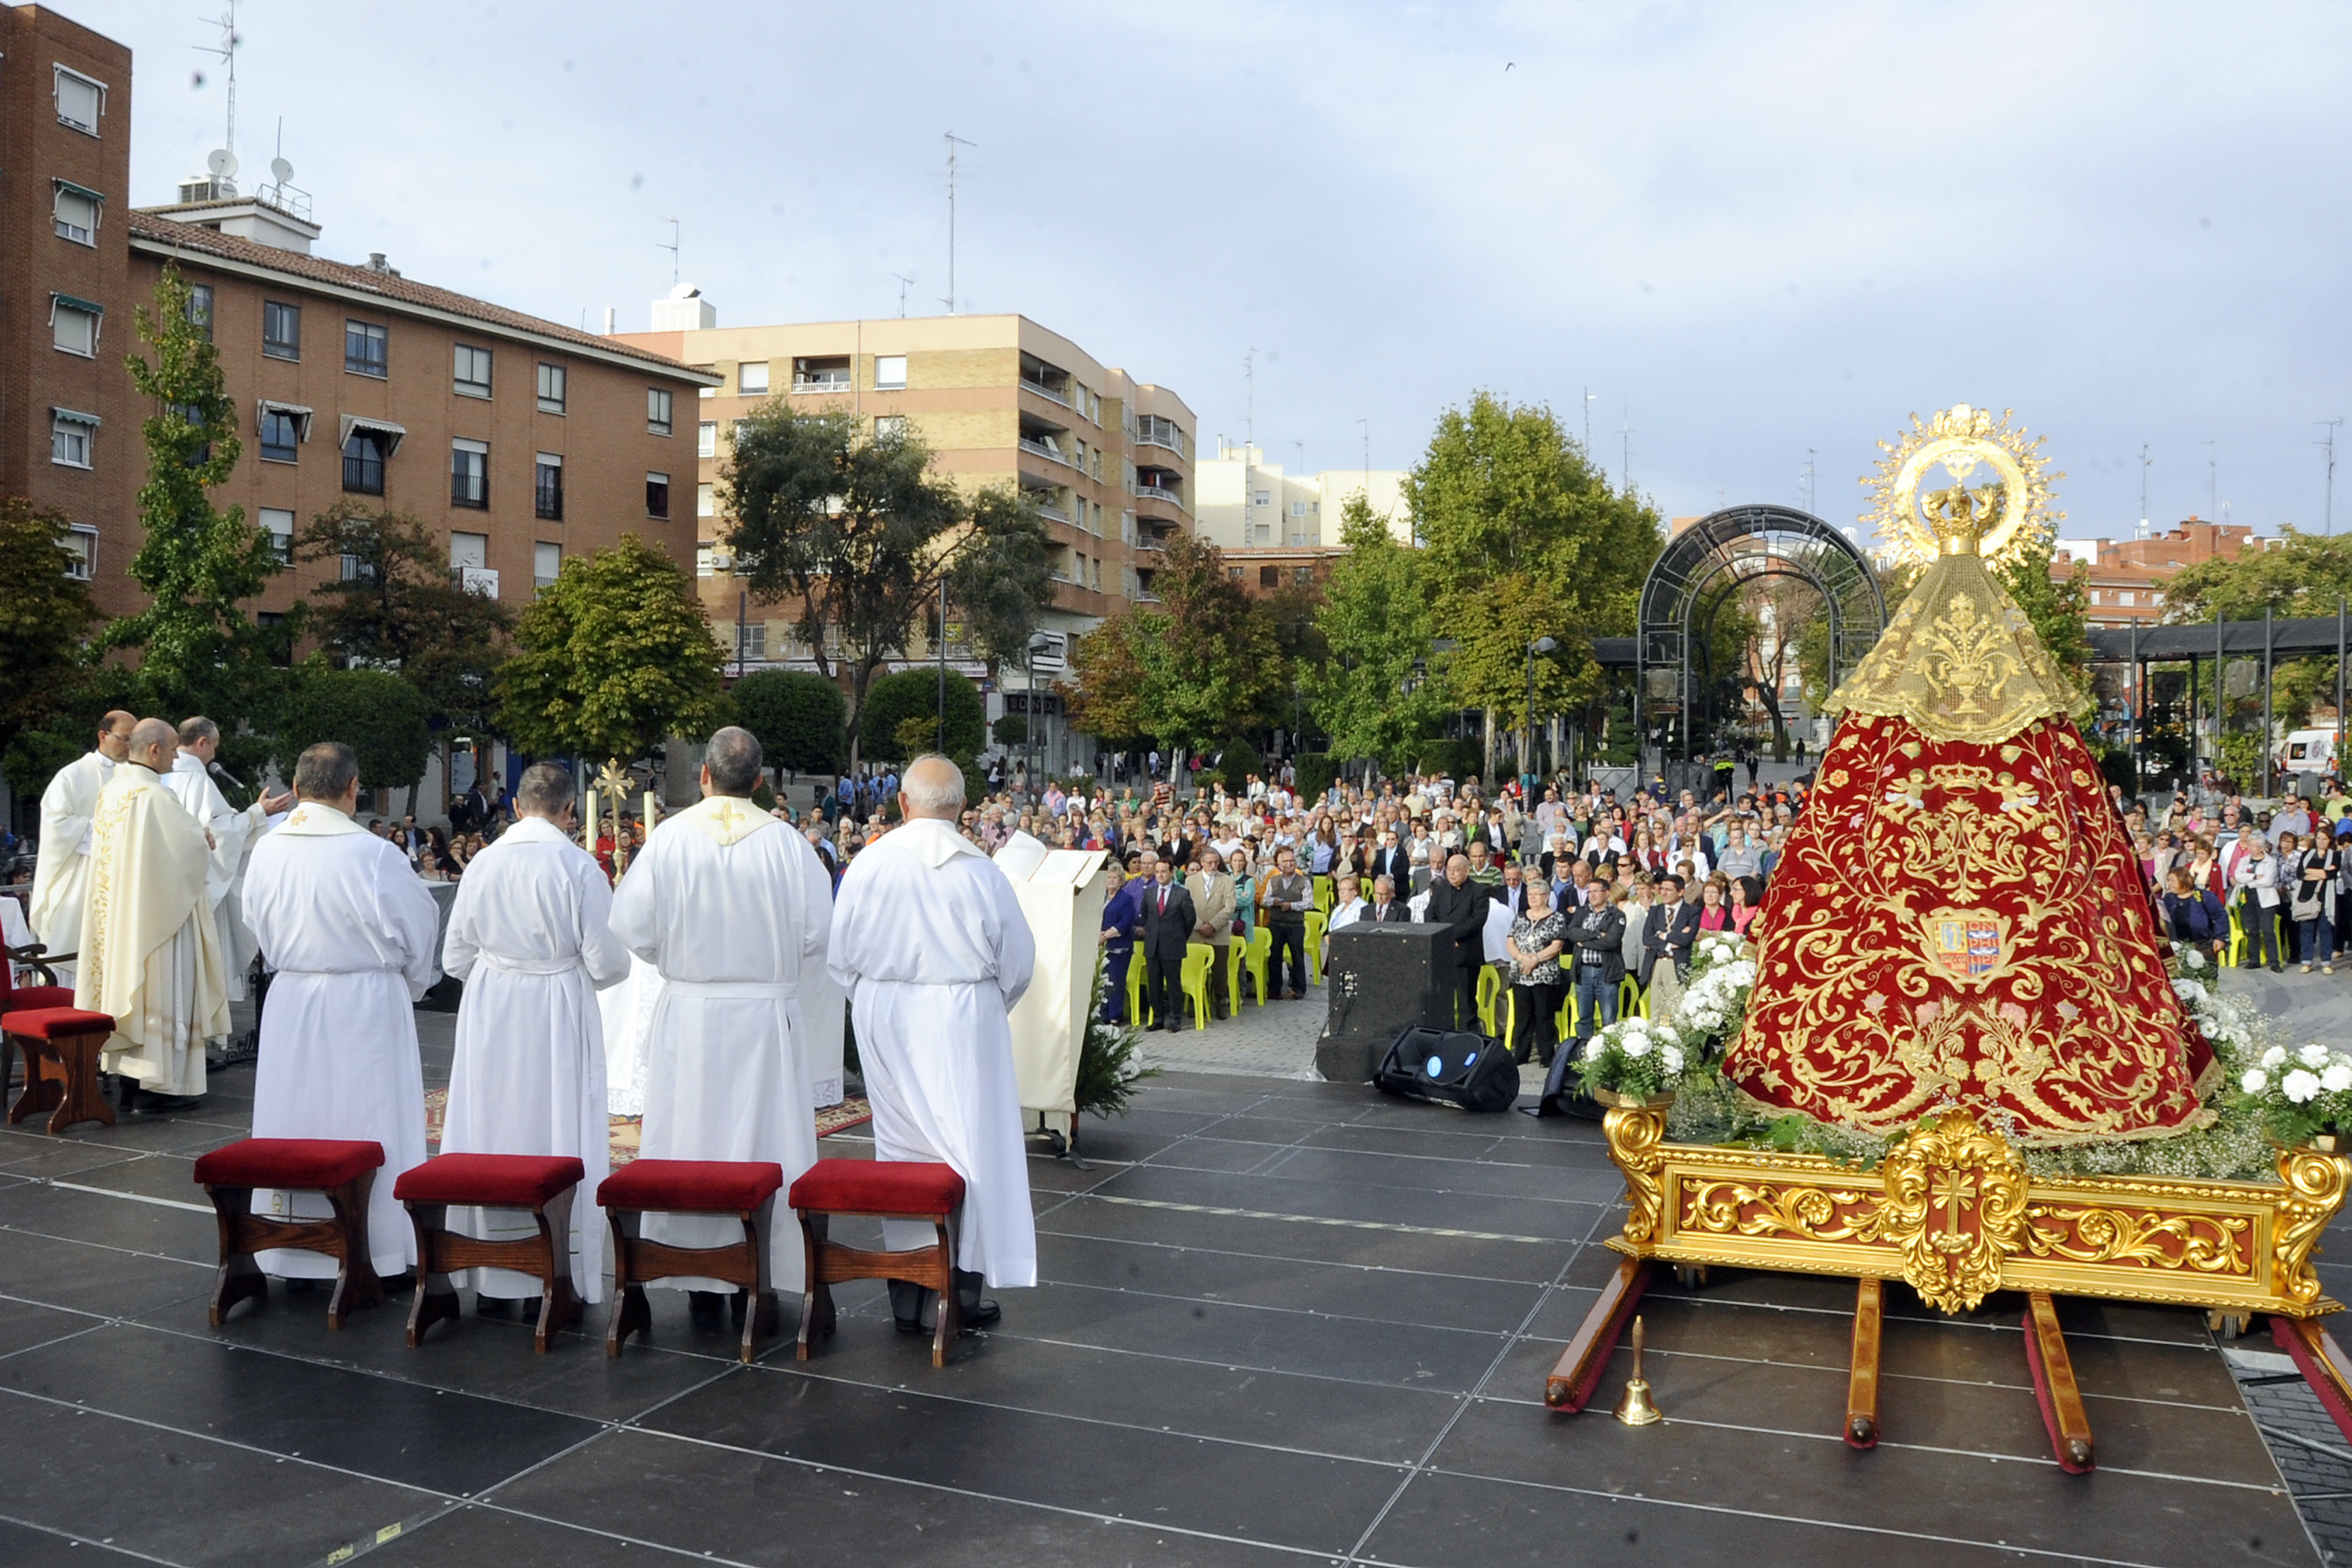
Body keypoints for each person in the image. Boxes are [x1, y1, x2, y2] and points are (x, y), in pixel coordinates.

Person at [610, 727, 834, 1321]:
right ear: (758, 782)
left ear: (704, 775)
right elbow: (818, 932)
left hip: (692, 1016)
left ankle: (696, 1271)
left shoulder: (669, 839)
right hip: (764, 1018)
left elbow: (631, 927)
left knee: (691, 1140)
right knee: (764, 1140)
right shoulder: (787, 844)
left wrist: (680, 960)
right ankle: (763, 1271)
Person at [829, 755, 1037, 1333]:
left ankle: (909, 1293)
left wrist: (877, 999)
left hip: (886, 1012)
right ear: (962, 807)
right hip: (962, 1016)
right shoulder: (981, 873)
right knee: (969, 1151)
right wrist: (980, 1008)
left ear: (902, 803)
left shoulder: (870, 864)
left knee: (901, 1149)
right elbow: (1018, 965)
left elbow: (840, 958)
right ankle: (957, 1294)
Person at [243, 743, 442, 1281]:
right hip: (365, 1002)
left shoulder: (268, 847)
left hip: (292, 999)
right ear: (354, 788)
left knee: (295, 1116)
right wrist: (408, 983)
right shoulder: (373, 854)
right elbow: (419, 926)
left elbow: (253, 919)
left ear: (296, 786)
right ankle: (377, 1247)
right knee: (369, 1118)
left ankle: (294, 1245)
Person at [439, 762, 631, 1311]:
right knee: (553, 1126)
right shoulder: (578, 866)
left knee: (491, 1123)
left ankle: (489, 1265)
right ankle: (554, 1266)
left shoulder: (483, 862)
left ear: (517, 807)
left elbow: (454, 957)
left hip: (492, 1006)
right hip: (555, 1007)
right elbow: (607, 963)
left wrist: (500, 969)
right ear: (570, 812)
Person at [79, 718, 235, 1112]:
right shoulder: (154, 796)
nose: (175, 759)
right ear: (153, 750)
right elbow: (187, 851)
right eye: (171, 750)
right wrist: (202, 837)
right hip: (159, 925)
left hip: (123, 919)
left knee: (134, 994)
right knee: (161, 993)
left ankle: (130, 1084)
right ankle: (157, 1087)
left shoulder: (112, 790)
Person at [162, 717, 275, 1025]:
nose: (215, 754)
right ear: (202, 742)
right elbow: (219, 835)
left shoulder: (160, 777)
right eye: (214, 746)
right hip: (197, 890)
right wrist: (257, 814)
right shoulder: (196, 781)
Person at [28, 710, 134, 986]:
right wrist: (105, 826)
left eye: (134, 740)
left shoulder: (136, 777)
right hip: (80, 877)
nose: (129, 746)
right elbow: (55, 825)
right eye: (125, 739)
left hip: (124, 878)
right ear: (103, 736)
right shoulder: (72, 775)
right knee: (72, 947)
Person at [1504, 879, 1568, 1068]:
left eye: (1536, 894)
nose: (1532, 898)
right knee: (1522, 1016)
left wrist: (1535, 960)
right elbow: (1510, 941)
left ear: (1546, 897)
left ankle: (1546, 1055)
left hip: (1544, 974)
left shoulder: (1557, 918)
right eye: (1530, 894)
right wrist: (1522, 958)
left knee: (1544, 1015)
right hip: (1521, 974)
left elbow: (1557, 945)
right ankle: (1521, 1054)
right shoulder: (1520, 917)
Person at [1424, 854, 1490, 1031]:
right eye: (1449, 869)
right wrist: (1443, 937)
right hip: (1442, 953)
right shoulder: (1441, 889)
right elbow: (1429, 914)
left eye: (1456, 869)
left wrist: (1452, 936)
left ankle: (1466, 1037)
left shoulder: (1479, 891)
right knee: (1441, 1000)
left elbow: (1477, 920)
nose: (1452, 873)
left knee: (1465, 1002)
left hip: (1465, 954)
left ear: (1467, 871)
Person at [1138, 855, 1197, 1032]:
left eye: (1163, 871)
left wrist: (1179, 936)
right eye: (1157, 872)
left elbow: (1190, 919)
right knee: (1154, 984)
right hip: (1153, 945)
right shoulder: (1149, 893)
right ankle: (1158, 1019)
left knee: (1173, 984)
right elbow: (1145, 916)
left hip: (1173, 945)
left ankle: (1175, 1019)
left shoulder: (1182, 893)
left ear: (1171, 872)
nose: (1160, 875)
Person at [1259, 845, 1313, 1001]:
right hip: (1276, 923)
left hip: (1295, 925)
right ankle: (1274, 989)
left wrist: (1291, 906)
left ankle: (1299, 988)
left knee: (1297, 957)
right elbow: (1264, 900)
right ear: (1280, 864)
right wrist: (1274, 902)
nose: (1290, 864)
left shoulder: (1303, 881)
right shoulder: (1273, 880)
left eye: (1292, 861)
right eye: (1286, 861)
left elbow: (1309, 903)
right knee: (1274, 957)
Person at [1191, 847, 1238, 1020]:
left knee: (1220, 972)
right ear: (1202, 862)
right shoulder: (1191, 881)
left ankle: (1221, 1004)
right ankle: (1197, 1004)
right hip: (1197, 934)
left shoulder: (1227, 881)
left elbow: (1230, 907)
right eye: (1209, 862)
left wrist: (1213, 925)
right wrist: (1199, 925)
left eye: (1216, 862)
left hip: (1219, 934)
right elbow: (1187, 906)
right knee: (1196, 971)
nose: (1213, 865)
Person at [1098, 859, 1144, 1024]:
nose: (1111, 880)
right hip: (1101, 947)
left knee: (1115, 981)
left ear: (1121, 881)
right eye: (1109, 877)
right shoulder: (1100, 896)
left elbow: (1126, 922)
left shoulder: (1126, 899)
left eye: (1115, 878)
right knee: (1101, 981)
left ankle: (1115, 1015)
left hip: (1119, 947)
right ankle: (1102, 1013)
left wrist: (1106, 935)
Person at [2234, 831, 2283, 971]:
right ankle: (2254, 959)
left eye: (2255, 846)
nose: (2251, 848)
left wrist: (2248, 881)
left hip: (2265, 898)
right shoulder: (2244, 860)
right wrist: (2255, 877)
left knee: (2268, 930)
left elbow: (2268, 881)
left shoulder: (2270, 861)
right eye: (2250, 845)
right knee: (2251, 930)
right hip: (2247, 896)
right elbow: (2238, 876)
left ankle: (2274, 962)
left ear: (2262, 848)